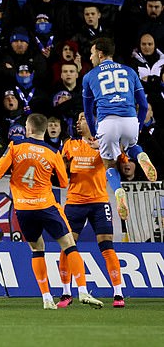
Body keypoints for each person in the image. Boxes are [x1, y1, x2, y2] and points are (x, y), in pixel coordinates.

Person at [0, 113, 104, 310]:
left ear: (28, 129)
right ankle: (83, 291)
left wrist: (15, 169)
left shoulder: (15, 147)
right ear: (44, 130)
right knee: (69, 245)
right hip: (46, 205)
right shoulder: (53, 152)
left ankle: (46, 298)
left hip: (23, 209)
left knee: (37, 249)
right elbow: (62, 182)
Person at [82, 37, 157, 220]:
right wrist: (138, 126)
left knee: (109, 163)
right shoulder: (130, 71)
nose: (91, 58)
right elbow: (144, 106)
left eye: (92, 54)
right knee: (131, 145)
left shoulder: (89, 76)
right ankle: (140, 155)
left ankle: (118, 192)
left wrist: (94, 134)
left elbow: (87, 110)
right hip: (130, 119)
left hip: (107, 123)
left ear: (100, 54)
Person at [58, 113, 125, 308]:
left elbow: (118, 161)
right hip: (75, 202)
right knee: (68, 247)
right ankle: (65, 292)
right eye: (77, 120)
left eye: (82, 119)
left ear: (93, 121)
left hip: (99, 202)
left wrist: (109, 149)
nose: (78, 122)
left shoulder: (105, 143)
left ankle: (118, 293)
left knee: (107, 246)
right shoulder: (70, 144)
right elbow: (60, 169)